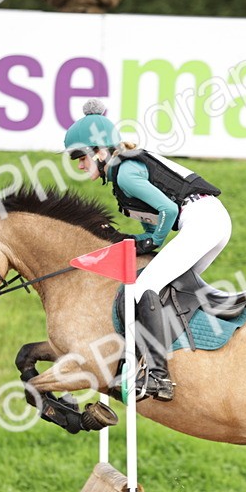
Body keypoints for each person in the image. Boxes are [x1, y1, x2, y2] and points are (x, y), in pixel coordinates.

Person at [62, 100, 229, 402]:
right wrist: (138, 238)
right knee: (165, 287)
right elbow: (156, 223)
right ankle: (178, 353)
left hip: (201, 221)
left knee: (143, 287)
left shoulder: (125, 174)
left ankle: (158, 375)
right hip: (208, 221)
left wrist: (151, 242)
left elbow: (166, 210)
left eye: (81, 156)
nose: (79, 164)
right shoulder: (121, 177)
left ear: (101, 152)